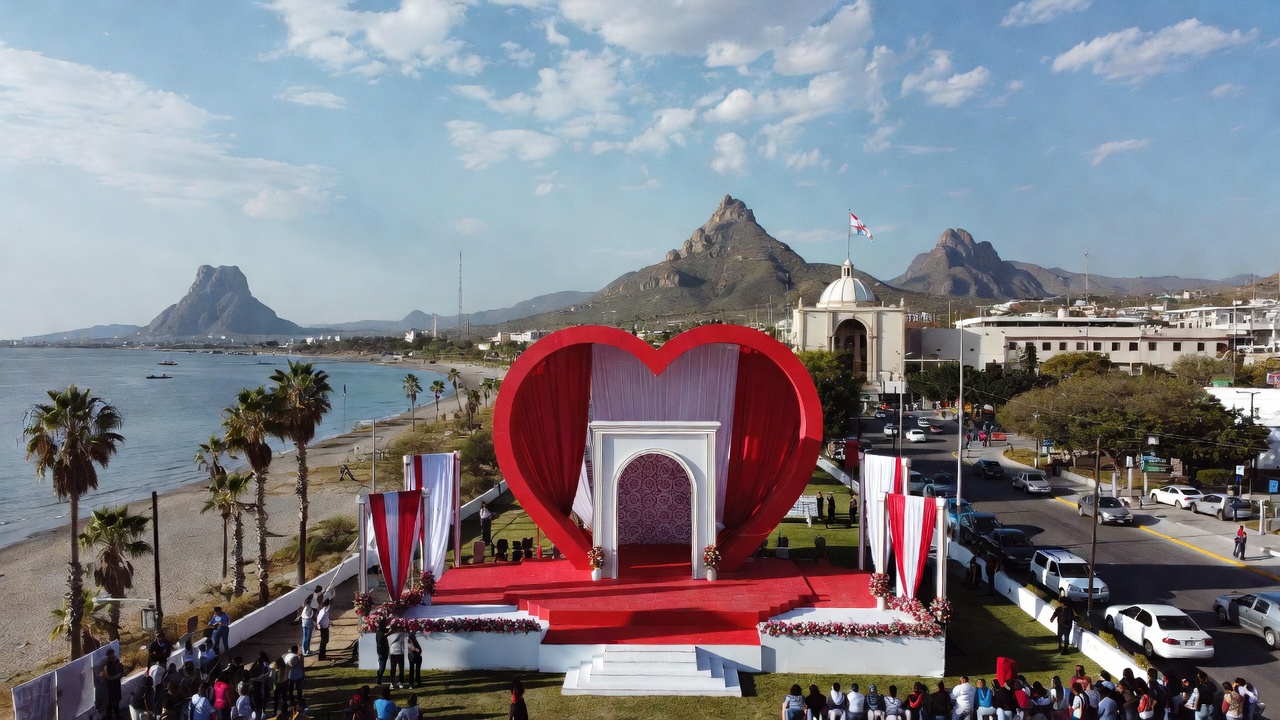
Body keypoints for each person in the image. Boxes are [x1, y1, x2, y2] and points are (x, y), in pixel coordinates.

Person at [100, 647, 126, 720]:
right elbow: (111, 674)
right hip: (111, 686)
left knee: (117, 700)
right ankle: (109, 716)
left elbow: (121, 671)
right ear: (108, 657)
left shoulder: (117, 662)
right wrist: (118, 671)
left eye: (113, 655)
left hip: (117, 684)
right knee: (110, 701)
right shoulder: (108, 665)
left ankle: (117, 714)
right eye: (111, 656)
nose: (113, 657)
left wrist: (121, 672)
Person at [375, 616, 391, 687]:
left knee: (381, 663)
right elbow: (389, 632)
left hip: (379, 649)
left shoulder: (378, 632)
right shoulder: (383, 634)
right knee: (383, 665)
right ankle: (379, 678)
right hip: (383, 650)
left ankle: (379, 675)